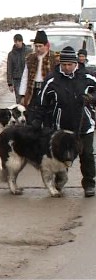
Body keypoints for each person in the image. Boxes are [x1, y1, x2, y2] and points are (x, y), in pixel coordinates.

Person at [31, 46, 96, 197]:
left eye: (70, 64)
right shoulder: (52, 80)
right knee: (62, 156)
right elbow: (41, 103)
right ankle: (60, 179)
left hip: (84, 125)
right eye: (64, 64)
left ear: (75, 64)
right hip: (61, 127)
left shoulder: (87, 77)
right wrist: (36, 121)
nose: (66, 67)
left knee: (86, 154)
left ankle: (89, 184)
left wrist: (92, 99)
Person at [19, 30, 56, 123]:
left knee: (47, 115)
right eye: (36, 46)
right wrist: (23, 95)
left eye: (40, 46)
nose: (38, 49)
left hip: (48, 91)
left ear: (46, 45)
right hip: (33, 91)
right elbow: (25, 77)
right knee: (31, 115)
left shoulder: (54, 58)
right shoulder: (30, 58)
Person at [7, 33, 31, 104]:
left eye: (19, 41)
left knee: (29, 98)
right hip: (17, 79)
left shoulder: (29, 51)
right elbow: (9, 68)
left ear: (22, 41)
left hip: (28, 79)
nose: (17, 43)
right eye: (15, 41)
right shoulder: (11, 54)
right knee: (19, 99)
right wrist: (10, 83)